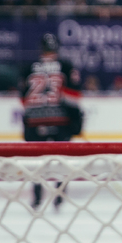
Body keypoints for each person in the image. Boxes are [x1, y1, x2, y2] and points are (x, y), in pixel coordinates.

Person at [20, 33, 83, 208]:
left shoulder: (29, 68)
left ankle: (37, 197)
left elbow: (23, 98)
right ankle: (60, 196)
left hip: (34, 122)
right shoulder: (65, 66)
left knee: (37, 162)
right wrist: (76, 119)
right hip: (60, 121)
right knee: (62, 160)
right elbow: (74, 95)